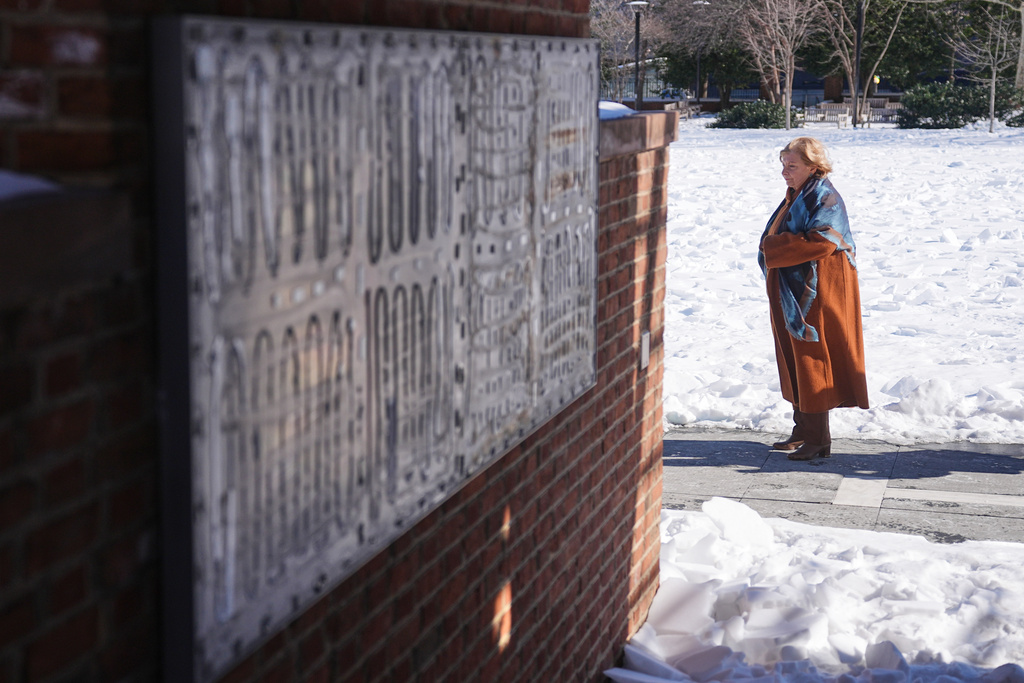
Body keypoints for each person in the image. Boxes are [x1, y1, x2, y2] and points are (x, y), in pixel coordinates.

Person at [758, 137, 869, 461]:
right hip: (795, 285)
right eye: (783, 164)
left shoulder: (824, 195)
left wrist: (773, 249)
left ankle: (818, 438)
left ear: (813, 166)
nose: (784, 172)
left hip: (821, 288)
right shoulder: (799, 193)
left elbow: (822, 241)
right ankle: (803, 429)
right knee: (794, 354)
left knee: (812, 356)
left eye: (791, 166)